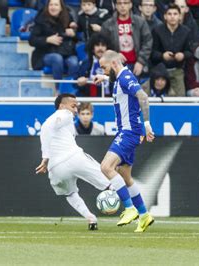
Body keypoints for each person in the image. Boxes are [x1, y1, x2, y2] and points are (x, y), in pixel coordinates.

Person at [93, 50, 155, 233]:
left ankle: (129, 209)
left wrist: (147, 124)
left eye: (104, 68)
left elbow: (143, 97)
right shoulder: (120, 77)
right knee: (125, 176)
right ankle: (144, 215)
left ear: (113, 64)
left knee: (106, 167)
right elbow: (119, 83)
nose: (103, 71)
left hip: (129, 132)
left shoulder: (125, 78)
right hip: (129, 131)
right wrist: (103, 78)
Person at [35, 94, 111, 230]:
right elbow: (46, 127)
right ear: (62, 106)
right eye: (73, 106)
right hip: (74, 158)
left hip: (56, 168)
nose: (76, 110)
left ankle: (90, 218)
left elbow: (46, 129)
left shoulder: (62, 122)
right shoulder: (65, 114)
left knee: (70, 193)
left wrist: (46, 159)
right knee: (111, 181)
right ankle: (135, 210)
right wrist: (45, 157)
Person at [29, 0, 79, 89]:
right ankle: (58, 89)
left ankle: (71, 89)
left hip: (66, 52)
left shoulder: (68, 18)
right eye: (51, 5)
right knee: (57, 58)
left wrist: (73, 34)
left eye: (56, 5)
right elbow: (32, 40)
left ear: (61, 8)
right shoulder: (41, 19)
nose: (53, 7)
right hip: (45, 53)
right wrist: (47, 39)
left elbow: (77, 39)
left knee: (74, 61)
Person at [101, 0, 152, 78]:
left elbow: (148, 41)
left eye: (125, 3)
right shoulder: (107, 24)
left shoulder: (140, 22)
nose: (122, 6)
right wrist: (114, 55)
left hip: (136, 65)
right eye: (119, 3)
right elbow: (103, 45)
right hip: (116, 66)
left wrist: (141, 61)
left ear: (131, 4)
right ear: (116, 6)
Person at [151, 4, 193, 96]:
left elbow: (190, 52)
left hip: (177, 70)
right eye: (169, 14)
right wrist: (162, 56)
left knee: (180, 100)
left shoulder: (186, 31)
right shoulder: (157, 30)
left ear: (179, 16)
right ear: (165, 16)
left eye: (175, 14)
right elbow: (152, 53)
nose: (172, 16)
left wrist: (183, 55)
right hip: (159, 70)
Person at [76, 32, 111, 96]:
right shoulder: (86, 62)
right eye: (97, 45)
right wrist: (80, 83)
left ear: (107, 48)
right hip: (89, 98)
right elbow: (75, 83)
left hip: (110, 99)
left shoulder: (113, 63)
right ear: (92, 48)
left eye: (103, 45)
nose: (100, 48)